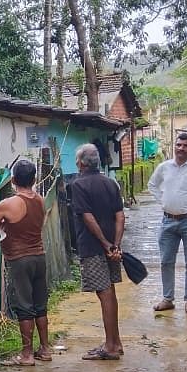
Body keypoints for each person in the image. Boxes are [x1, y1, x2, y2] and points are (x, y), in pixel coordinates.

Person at [0, 158, 52, 366]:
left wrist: (5, 224)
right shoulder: (40, 200)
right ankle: (45, 348)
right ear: (34, 179)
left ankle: (26, 354)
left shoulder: (7, 204)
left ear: (13, 180)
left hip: (19, 259)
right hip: (39, 257)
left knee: (25, 307)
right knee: (40, 305)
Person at [69, 142, 126, 359]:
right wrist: (115, 245)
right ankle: (115, 341)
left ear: (80, 163)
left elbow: (87, 217)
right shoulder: (110, 183)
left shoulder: (78, 185)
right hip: (111, 246)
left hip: (93, 247)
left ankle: (110, 346)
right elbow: (120, 216)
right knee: (109, 291)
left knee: (104, 293)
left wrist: (105, 244)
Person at [148, 132, 187, 313]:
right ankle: (167, 298)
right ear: (174, 146)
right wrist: (164, 202)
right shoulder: (164, 167)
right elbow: (152, 185)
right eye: (178, 145)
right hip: (168, 221)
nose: (181, 149)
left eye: (185, 146)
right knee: (166, 261)